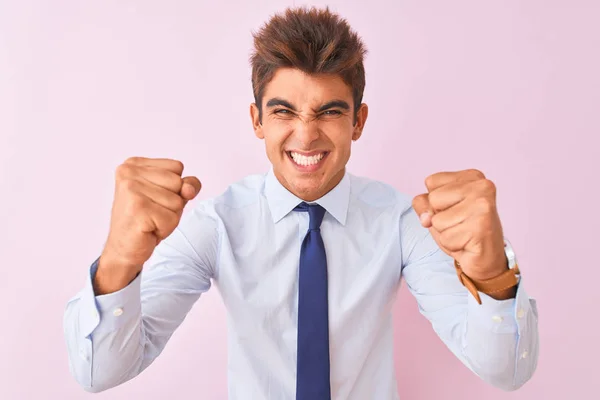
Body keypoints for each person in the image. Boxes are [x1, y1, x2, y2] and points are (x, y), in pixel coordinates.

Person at [63, 6, 539, 399]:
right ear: (257, 120)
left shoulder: (402, 221)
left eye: (330, 112)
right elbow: (100, 374)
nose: (306, 134)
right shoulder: (217, 223)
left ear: (358, 121)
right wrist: (119, 264)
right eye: (283, 111)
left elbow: (505, 373)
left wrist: (494, 275)